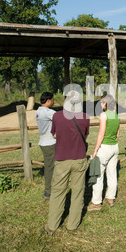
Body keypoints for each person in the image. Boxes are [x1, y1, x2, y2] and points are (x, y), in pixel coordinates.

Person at [45, 90, 90, 235]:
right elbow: (85, 134)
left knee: (58, 191)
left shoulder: (57, 116)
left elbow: (54, 134)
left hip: (62, 158)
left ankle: (52, 225)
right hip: (79, 158)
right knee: (78, 192)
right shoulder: (85, 117)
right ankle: (72, 224)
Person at [87, 94, 120, 211]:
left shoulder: (103, 115)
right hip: (115, 147)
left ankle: (96, 202)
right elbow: (117, 134)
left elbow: (101, 133)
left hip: (105, 147)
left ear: (106, 104)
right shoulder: (116, 115)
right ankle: (110, 197)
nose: (100, 104)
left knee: (98, 175)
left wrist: (95, 150)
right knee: (112, 173)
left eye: (102, 102)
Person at [35, 92, 56, 199]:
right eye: (53, 100)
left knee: (50, 166)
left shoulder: (38, 111)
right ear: (48, 101)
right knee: (50, 167)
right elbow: (61, 119)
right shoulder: (48, 112)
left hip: (43, 141)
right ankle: (48, 191)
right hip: (50, 142)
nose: (54, 102)